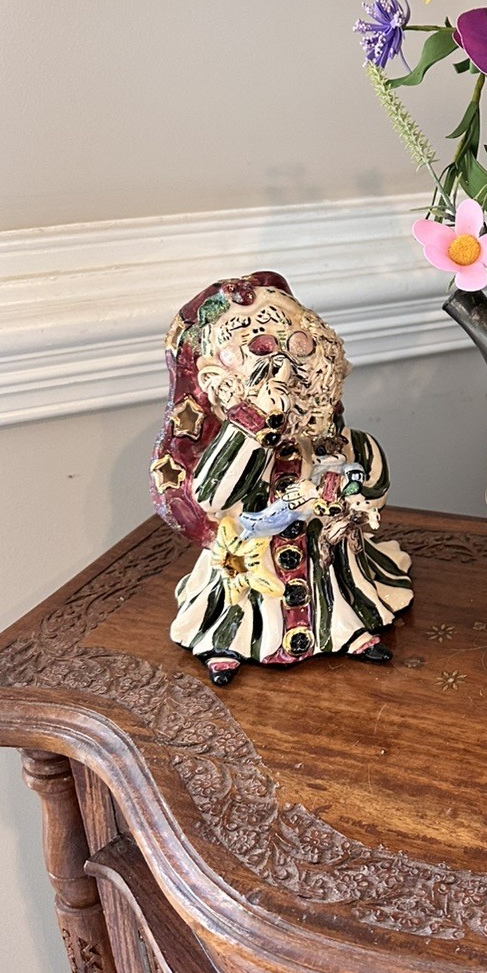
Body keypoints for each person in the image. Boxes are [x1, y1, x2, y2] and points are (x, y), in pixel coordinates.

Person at [151, 272, 412, 685]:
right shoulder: (237, 438)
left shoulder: (331, 435)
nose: (276, 359)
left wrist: (354, 498)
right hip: (251, 561)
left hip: (324, 555)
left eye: (287, 338)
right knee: (248, 603)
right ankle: (230, 640)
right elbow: (212, 496)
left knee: (338, 587)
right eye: (251, 347)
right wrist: (258, 427)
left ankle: (347, 628)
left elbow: (365, 481)